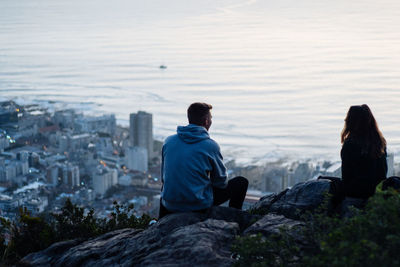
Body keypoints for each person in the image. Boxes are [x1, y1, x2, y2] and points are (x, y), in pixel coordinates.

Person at [159, 102, 248, 219]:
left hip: (169, 205)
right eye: (211, 118)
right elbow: (221, 182)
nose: (211, 121)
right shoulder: (210, 146)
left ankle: (160, 222)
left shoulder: (169, 141)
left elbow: (164, 178)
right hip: (198, 206)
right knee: (241, 182)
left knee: (167, 187)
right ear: (206, 121)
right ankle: (235, 218)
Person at [340, 104, 387, 199]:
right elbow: (383, 171)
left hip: (356, 194)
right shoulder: (379, 141)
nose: (345, 120)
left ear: (352, 122)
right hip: (377, 191)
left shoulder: (350, 143)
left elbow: (346, 175)